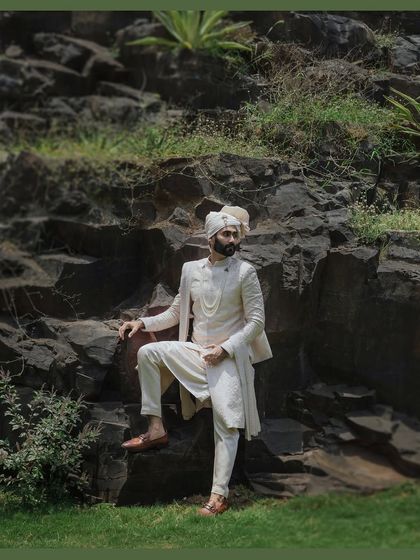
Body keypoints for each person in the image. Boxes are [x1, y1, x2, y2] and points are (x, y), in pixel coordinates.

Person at [118, 206, 272, 516]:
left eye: (235, 234)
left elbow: (256, 322)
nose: (232, 239)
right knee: (148, 352)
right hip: (196, 352)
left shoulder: (245, 273)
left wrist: (226, 348)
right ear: (211, 237)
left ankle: (219, 496)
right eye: (226, 234)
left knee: (227, 424)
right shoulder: (191, 270)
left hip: (228, 358)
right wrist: (142, 324)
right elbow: (176, 312)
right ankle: (156, 429)